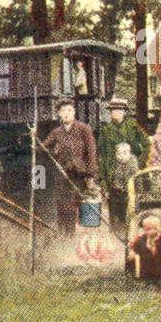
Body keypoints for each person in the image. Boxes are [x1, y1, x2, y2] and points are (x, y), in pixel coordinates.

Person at [41, 98, 99, 234]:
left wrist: (90, 175)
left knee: (80, 205)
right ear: (59, 115)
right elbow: (44, 148)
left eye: (69, 110)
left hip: (81, 174)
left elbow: (91, 153)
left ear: (74, 113)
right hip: (64, 174)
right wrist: (38, 143)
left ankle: (80, 234)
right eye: (63, 111)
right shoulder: (57, 132)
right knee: (62, 205)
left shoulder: (83, 129)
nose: (66, 114)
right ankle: (65, 233)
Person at [96, 96, 150, 187]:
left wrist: (141, 162)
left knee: (135, 192)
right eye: (114, 110)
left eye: (120, 110)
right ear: (110, 113)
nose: (117, 112)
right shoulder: (105, 130)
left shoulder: (132, 126)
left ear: (124, 112)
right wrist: (103, 177)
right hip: (113, 169)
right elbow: (101, 154)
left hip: (133, 167)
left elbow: (147, 144)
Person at [127, 212, 161, 280]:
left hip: (159, 265)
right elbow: (134, 244)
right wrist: (133, 251)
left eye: (154, 229)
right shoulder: (142, 238)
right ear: (144, 229)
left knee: (160, 264)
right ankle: (145, 277)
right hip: (146, 267)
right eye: (147, 229)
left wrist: (153, 245)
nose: (151, 231)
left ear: (159, 228)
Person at [107, 142, 140, 233]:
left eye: (120, 154)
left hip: (129, 192)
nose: (118, 157)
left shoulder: (132, 165)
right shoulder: (118, 164)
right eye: (117, 154)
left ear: (127, 153)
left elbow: (133, 182)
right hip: (118, 192)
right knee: (112, 200)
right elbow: (114, 178)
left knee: (126, 206)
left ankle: (125, 226)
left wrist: (121, 187)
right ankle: (115, 225)